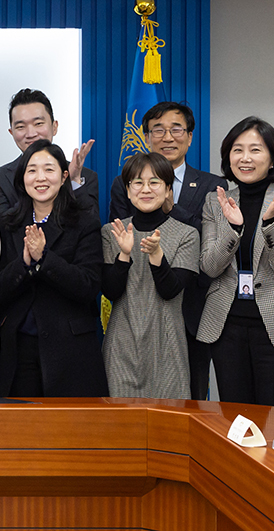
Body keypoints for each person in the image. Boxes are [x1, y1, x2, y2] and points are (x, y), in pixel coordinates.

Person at [108, 101, 225, 400]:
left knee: (188, 398)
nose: (168, 137)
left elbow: (211, 241)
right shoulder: (122, 184)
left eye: (176, 129)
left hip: (190, 310)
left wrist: (171, 209)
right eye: (158, 130)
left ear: (190, 136)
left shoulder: (213, 186)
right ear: (146, 137)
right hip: (133, 311)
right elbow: (125, 230)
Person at [197, 117, 274, 408]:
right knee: (236, 418)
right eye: (237, 150)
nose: (245, 158)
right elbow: (210, 266)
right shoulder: (215, 202)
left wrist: (271, 224)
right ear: (228, 157)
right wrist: (233, 229)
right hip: (226, 325)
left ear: (272, 159)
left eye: (255, 150)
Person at [0, 141, 107, 397]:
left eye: (49, 169)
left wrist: (44, 258)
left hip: (70, 348)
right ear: (22, 178)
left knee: (70, 421)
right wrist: (24, 264)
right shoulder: (7, 224)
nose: (40, 178)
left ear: (64, 177)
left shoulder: (84, 221)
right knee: (21, 420)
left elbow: (88, 285)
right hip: (20, 347)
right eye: (32, 170)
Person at [101, 153, 199, 400]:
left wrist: (156, 255)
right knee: (119, 419)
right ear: (128, 190)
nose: (146, 189)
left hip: (167, 345)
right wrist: (124, 254)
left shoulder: (187, 234)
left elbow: (170, 291)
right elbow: (111, 291)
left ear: (168, 190)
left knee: (169, 419)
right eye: (138, 182)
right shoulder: (112, 232)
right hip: (122, 344)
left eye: (154, 182)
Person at [0, 89, 98, 221]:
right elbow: (4, 227)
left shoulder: (84, 177)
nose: (31, 134)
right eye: (20, 127)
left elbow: (89, 226)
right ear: (12, 132)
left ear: (54, 127)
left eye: (38, 124)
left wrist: (72, 182)